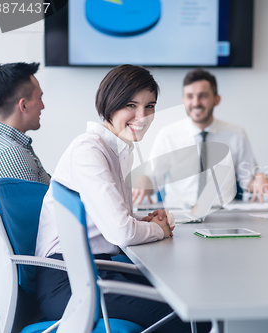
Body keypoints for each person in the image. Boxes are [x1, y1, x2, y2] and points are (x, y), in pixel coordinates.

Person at [35, 65, 196, 332]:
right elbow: (121, 232)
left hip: (98, 270)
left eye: (150, 106)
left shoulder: (119, 151)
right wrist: (157, 229)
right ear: (109, 105)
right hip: (70, 281)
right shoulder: (89, 151)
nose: (142, 117)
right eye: (131, 105)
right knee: (188, 317)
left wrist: (144, 221)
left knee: (188, 295)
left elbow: (115, 221)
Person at [132, 68, 268, 206]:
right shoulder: (168, 135)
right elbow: (152, 182)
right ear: (183, 101)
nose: (196, 103)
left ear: (216, 100)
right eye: (189, 96)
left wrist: (260, 179)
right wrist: (143, 181)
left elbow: (248, 182)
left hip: (223, 214)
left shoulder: (236, 134)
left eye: (203, 96)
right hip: (179, 214)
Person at [0, 62, 50, 184]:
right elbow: (33, 203)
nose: (42, 106)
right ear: (24, 105)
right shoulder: (12, 155)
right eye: (40, 98)